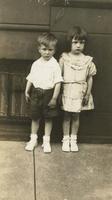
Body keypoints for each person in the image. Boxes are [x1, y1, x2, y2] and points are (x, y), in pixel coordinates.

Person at [59, 26, 97, 152]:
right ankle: (65, 139)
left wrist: (87, 94)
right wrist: (58, 93)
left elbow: (90, 78)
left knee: (76, 116)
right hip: (67, 90)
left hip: (80, 91)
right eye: (75, 42)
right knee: (66, 116)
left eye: (81, 42)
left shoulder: (87, 60)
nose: (78, 45)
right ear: (70, 42)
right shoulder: (64, 58)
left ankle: (73, 139)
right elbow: (59, 77)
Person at [25, 32, 63, 153]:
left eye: (50, 50)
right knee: (35, 117)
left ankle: (46, 141)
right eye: (44, 49)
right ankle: (33, 139)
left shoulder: (55, 65)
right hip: (36, 93)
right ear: (39, 49)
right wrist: (27, 90)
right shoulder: (36, 64)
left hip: (49, 94)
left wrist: (54, 98)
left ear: (54, 50)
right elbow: (30, 78)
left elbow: (58, 82)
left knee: (48, 118)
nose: (47, 52)